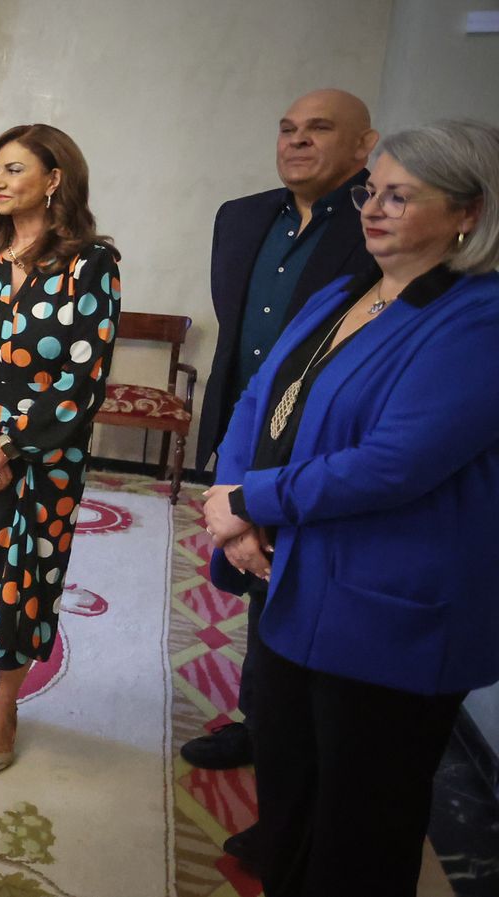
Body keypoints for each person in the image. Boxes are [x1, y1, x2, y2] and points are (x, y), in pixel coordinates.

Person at [201, 119, 499, 897]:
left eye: (401, 196)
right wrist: (232, 507)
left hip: (388, 610)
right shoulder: (345, 291)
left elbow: (394, 464)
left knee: (362, 822)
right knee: (288, 790)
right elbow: (258, 399)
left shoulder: (480, 318)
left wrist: (250, 498)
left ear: (468, 211)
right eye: (372, 190)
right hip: (294, 579)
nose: (373, 208)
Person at [182, 88, 379, 867]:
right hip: (242, 441)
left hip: (315, 451)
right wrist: (230, 476)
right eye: (288, 128)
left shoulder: (373, 224)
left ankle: (289, 750)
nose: (297, 140)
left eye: (319, 129)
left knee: (294, 594)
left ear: (364, 146)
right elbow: (239, 338)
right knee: (253, 583)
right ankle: (259, 722)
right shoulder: (241, 217)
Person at [0, 124, 120, 774]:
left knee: (29, 580)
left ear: (54, 178)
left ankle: (6, 702)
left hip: (47, 454)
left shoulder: (92, 264)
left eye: (14, 169)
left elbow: (84, 376)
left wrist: (10, 446)